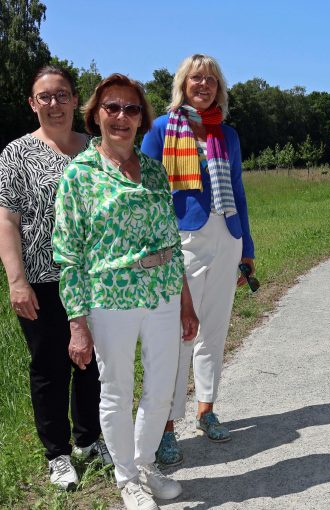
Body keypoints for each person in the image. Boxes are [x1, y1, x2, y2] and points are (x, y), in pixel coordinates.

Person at [52, 73, 198, 510]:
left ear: (142, 119)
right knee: (116, 388)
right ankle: (127, 478)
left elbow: (172, 239)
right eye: (111, 108)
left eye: (131, 109)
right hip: (109, 296)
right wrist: (77, 323)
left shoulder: (153, 169)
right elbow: (68, 253)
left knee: (161, 386)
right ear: (96, 115)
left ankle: (145, 463)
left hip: (162, 293)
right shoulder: (79, 174)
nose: (121, 117)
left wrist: (185, 302)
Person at [0, 65, 110, 490]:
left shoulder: (96, 149)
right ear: (33, 103)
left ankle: (88, 439)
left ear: (74, 100)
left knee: (92, 364)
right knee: (49, 366)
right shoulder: (16, 154)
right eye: (44, 96)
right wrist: (17, 281)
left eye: (62, 95)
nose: (54, 103)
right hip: (42, 279)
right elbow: (7, 221)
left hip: (98, 277)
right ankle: (58, 454)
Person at [141, 54, 255, 463]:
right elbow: (148, 196)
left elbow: (239, 194)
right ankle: (166, 425)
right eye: (196, 79)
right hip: (182, 240)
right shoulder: (159, 130)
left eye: (210, 79)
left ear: (218, 87)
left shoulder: (227, 134)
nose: (203, 85)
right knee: (178, 334)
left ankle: (206, 408)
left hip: (226, 237)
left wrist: (248, 249)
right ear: (183, 85)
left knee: (215, 331)